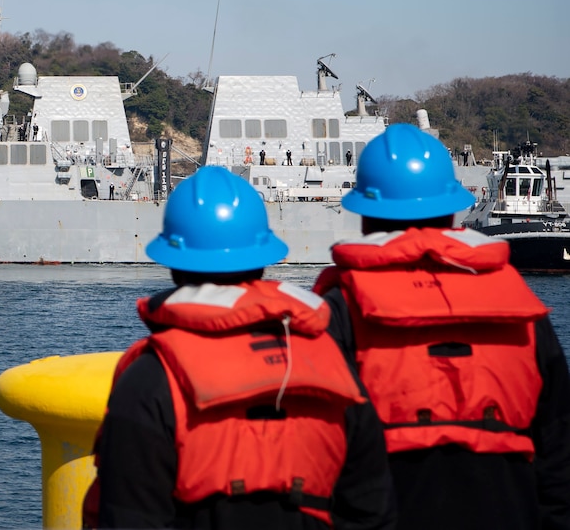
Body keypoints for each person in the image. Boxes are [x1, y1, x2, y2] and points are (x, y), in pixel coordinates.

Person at [87, 166, 394, 530]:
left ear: (172, 262)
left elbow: (128, 518)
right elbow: (372, 511)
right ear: (263, 258)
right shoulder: (332, 365)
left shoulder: (150, 380)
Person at [315, 123, 570, 530]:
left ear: (364, 216)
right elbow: (558, 446)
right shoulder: (519, 304)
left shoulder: (340, 308)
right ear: (453, 210)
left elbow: (315, 447)